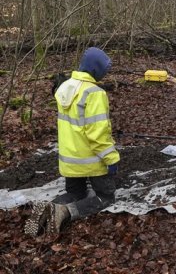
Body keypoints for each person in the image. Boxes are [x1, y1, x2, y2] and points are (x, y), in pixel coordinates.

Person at [24, 47, 120, 236]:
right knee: (105, 196)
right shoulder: (94, 93)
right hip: (91, 160)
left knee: (76, 193)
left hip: (69, 161)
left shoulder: (65, 87)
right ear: (95, 70)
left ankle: (47, 208)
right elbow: (97, 134)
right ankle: (66, 211)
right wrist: (111, 159)